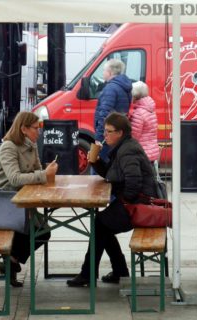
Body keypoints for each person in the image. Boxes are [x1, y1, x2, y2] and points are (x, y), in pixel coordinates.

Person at [67, 112, 158, 287]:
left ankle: (90, 274)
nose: (105, 135)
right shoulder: (122, 147)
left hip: (141, 204)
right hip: (135, 200)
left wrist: (124, 202)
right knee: (102, 225)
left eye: (109, 131)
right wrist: (96, 161)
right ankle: (118, 272)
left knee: (101, 224)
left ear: (120, 133)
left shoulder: (128, 150)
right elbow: (112, 173)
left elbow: (134, 181)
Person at [0, 111, 57, 287]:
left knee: (43, 231)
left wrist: (45, 172)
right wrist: (43, 175)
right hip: (0, 200)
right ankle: (10, 263)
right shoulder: (8, 147)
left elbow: (37, 170)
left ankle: (11, 261)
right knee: (31, 230)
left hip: (19, 199)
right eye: (36, 128)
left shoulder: (32, 145)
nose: (39, 131)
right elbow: (14, 178)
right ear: (23, 128)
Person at [93, 59, 132, 165]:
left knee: (97, 165)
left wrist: (99, 137)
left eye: (104, 70)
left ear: (110, 72)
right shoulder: (124, 87)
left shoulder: (110, 88)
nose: (103, 73)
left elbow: (104, 114)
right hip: (117, 132)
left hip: (108, 134)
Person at [129, 81, 159, 163]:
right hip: (152, 152)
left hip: (142, 153)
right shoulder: (150, 110)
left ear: (135, 96)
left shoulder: (138, 113)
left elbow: (134, 136)